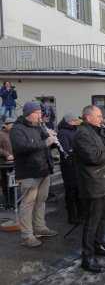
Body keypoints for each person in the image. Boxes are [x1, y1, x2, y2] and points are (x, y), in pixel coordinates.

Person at [72, 105, 105, 273]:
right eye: (99, 116)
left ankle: (99, 246)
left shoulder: (95, 132)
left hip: (102, 181)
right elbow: (93, 157)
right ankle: (87, 259)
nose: (102, 119)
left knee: (102, 217)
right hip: (93, 183)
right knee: (91, 221)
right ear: (88, 118)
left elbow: (101, 151)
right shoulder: (82, 134)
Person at [9, 102, 58, 247]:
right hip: (28, 172)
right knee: (28, 204)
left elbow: (47, 145)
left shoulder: (39, 127)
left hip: (43, 169)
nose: (40, 116)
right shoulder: (17, 129)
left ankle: (40, 228)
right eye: (37, 113)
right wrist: (46, 142)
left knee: (41, 201)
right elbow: (21, 147)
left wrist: (53, 140)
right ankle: (27, 235)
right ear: (29, 113)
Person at [56, 111, 81, 225]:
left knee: (78, 190)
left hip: (76, 164)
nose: (76, 122)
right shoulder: (62, 132)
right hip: (69, 165)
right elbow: (65, 148)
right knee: (71, 191)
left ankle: (80, 213)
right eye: (74, 120)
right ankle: (71, 215)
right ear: (69, 121)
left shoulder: (74, 130)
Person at [0, 118, 15, 207]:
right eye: (10, 125)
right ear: (5, 125)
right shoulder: (1, 134)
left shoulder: (14, 134)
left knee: (13, 182)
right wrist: (6, 154)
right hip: (4, 163)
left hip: (14, 162)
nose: (12, 127)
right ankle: (8, 201)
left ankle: (13, 200)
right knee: (6, 182)